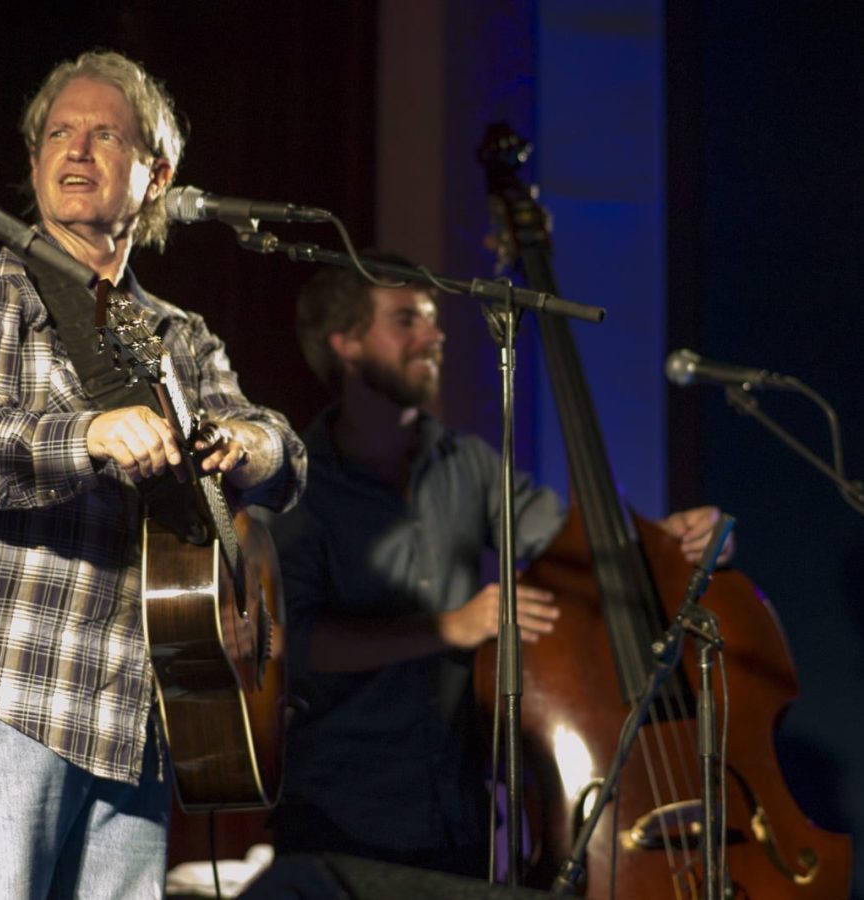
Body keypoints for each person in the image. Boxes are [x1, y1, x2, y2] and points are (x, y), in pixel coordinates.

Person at [264, 260, 734, 879]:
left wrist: (672, 542)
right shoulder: (298, 481)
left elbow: (574, 548)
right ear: (345, 344)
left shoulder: (471, 464)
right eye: (407, 321)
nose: (434, 337)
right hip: (338, 823)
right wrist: (446, 628)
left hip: (461, 821)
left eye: (433, 322)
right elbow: (287, 642)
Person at [0, 50, 307, 898]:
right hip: (16, 701)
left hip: (152, 717)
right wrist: (87, 435)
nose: (76, 150)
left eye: (105, 134)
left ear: (157, 177)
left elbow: (285, 453)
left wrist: (246, 445)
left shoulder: (178, 335)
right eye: (59, 132)